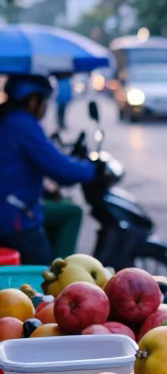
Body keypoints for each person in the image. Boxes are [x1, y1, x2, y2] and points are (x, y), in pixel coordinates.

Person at [0, 75, 98, 265]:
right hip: (14, 218)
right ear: (33, 100)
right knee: (44, 271)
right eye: (44, 101)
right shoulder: (22, 124)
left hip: (11, 204)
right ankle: (60, 275)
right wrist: (91, 170)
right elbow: (59, 168)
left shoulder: (6, 117)